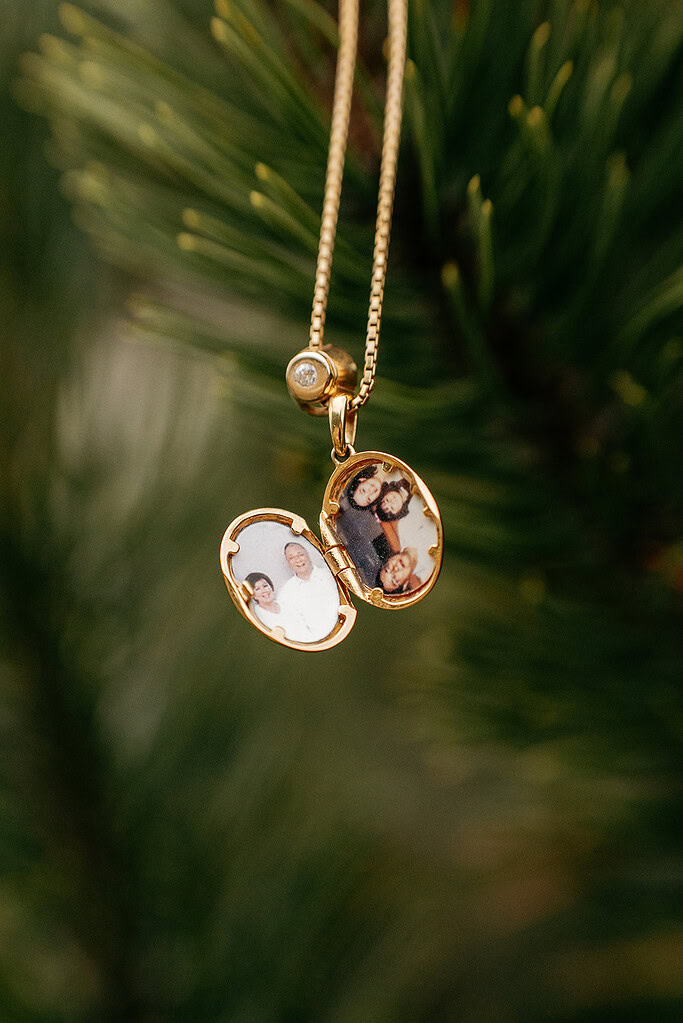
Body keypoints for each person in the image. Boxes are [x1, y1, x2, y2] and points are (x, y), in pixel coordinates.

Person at [278, 542, 340, 641]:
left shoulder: (330, 576)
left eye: (300, 554)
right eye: (292, 558)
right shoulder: (286, 593)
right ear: (288, 563)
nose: (298, 560)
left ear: (308, 554)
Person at [245, 571, 313, 642]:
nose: (264, 591)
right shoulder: (257, 616)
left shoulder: (287, 604)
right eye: (257, 589)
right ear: (254, 595)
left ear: (271, 587)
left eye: (265, 586)